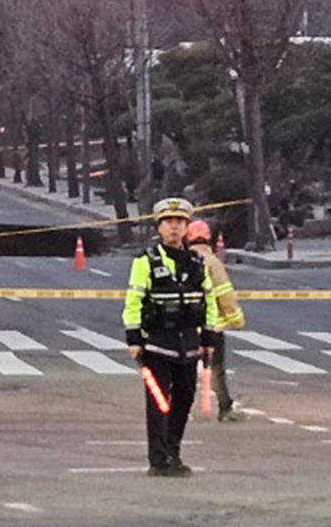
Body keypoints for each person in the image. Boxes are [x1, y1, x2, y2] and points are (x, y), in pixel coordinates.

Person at [123, 198, 219, 477]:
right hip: (157, 343)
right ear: (160, 228)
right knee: (158, 402)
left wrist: (208, 339)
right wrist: (133, 339)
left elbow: (209, 301)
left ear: (187, 228)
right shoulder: (146, 262)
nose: (174, 228)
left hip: (188, 344)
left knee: (184, 399)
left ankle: (173, 450)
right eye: (168, 223)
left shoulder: (197, 263)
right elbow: (134, 300)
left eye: (179, 223)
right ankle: (158, 459)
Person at [187, 219, 246, 422]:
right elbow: (225, 294)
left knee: (183, 370)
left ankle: (179, 409)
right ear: (208, 237)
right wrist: (236, 320)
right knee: (217, 370)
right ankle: (225, 408)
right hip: (212, 328)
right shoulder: (213, 263)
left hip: (185, 328)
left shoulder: (181, 260)